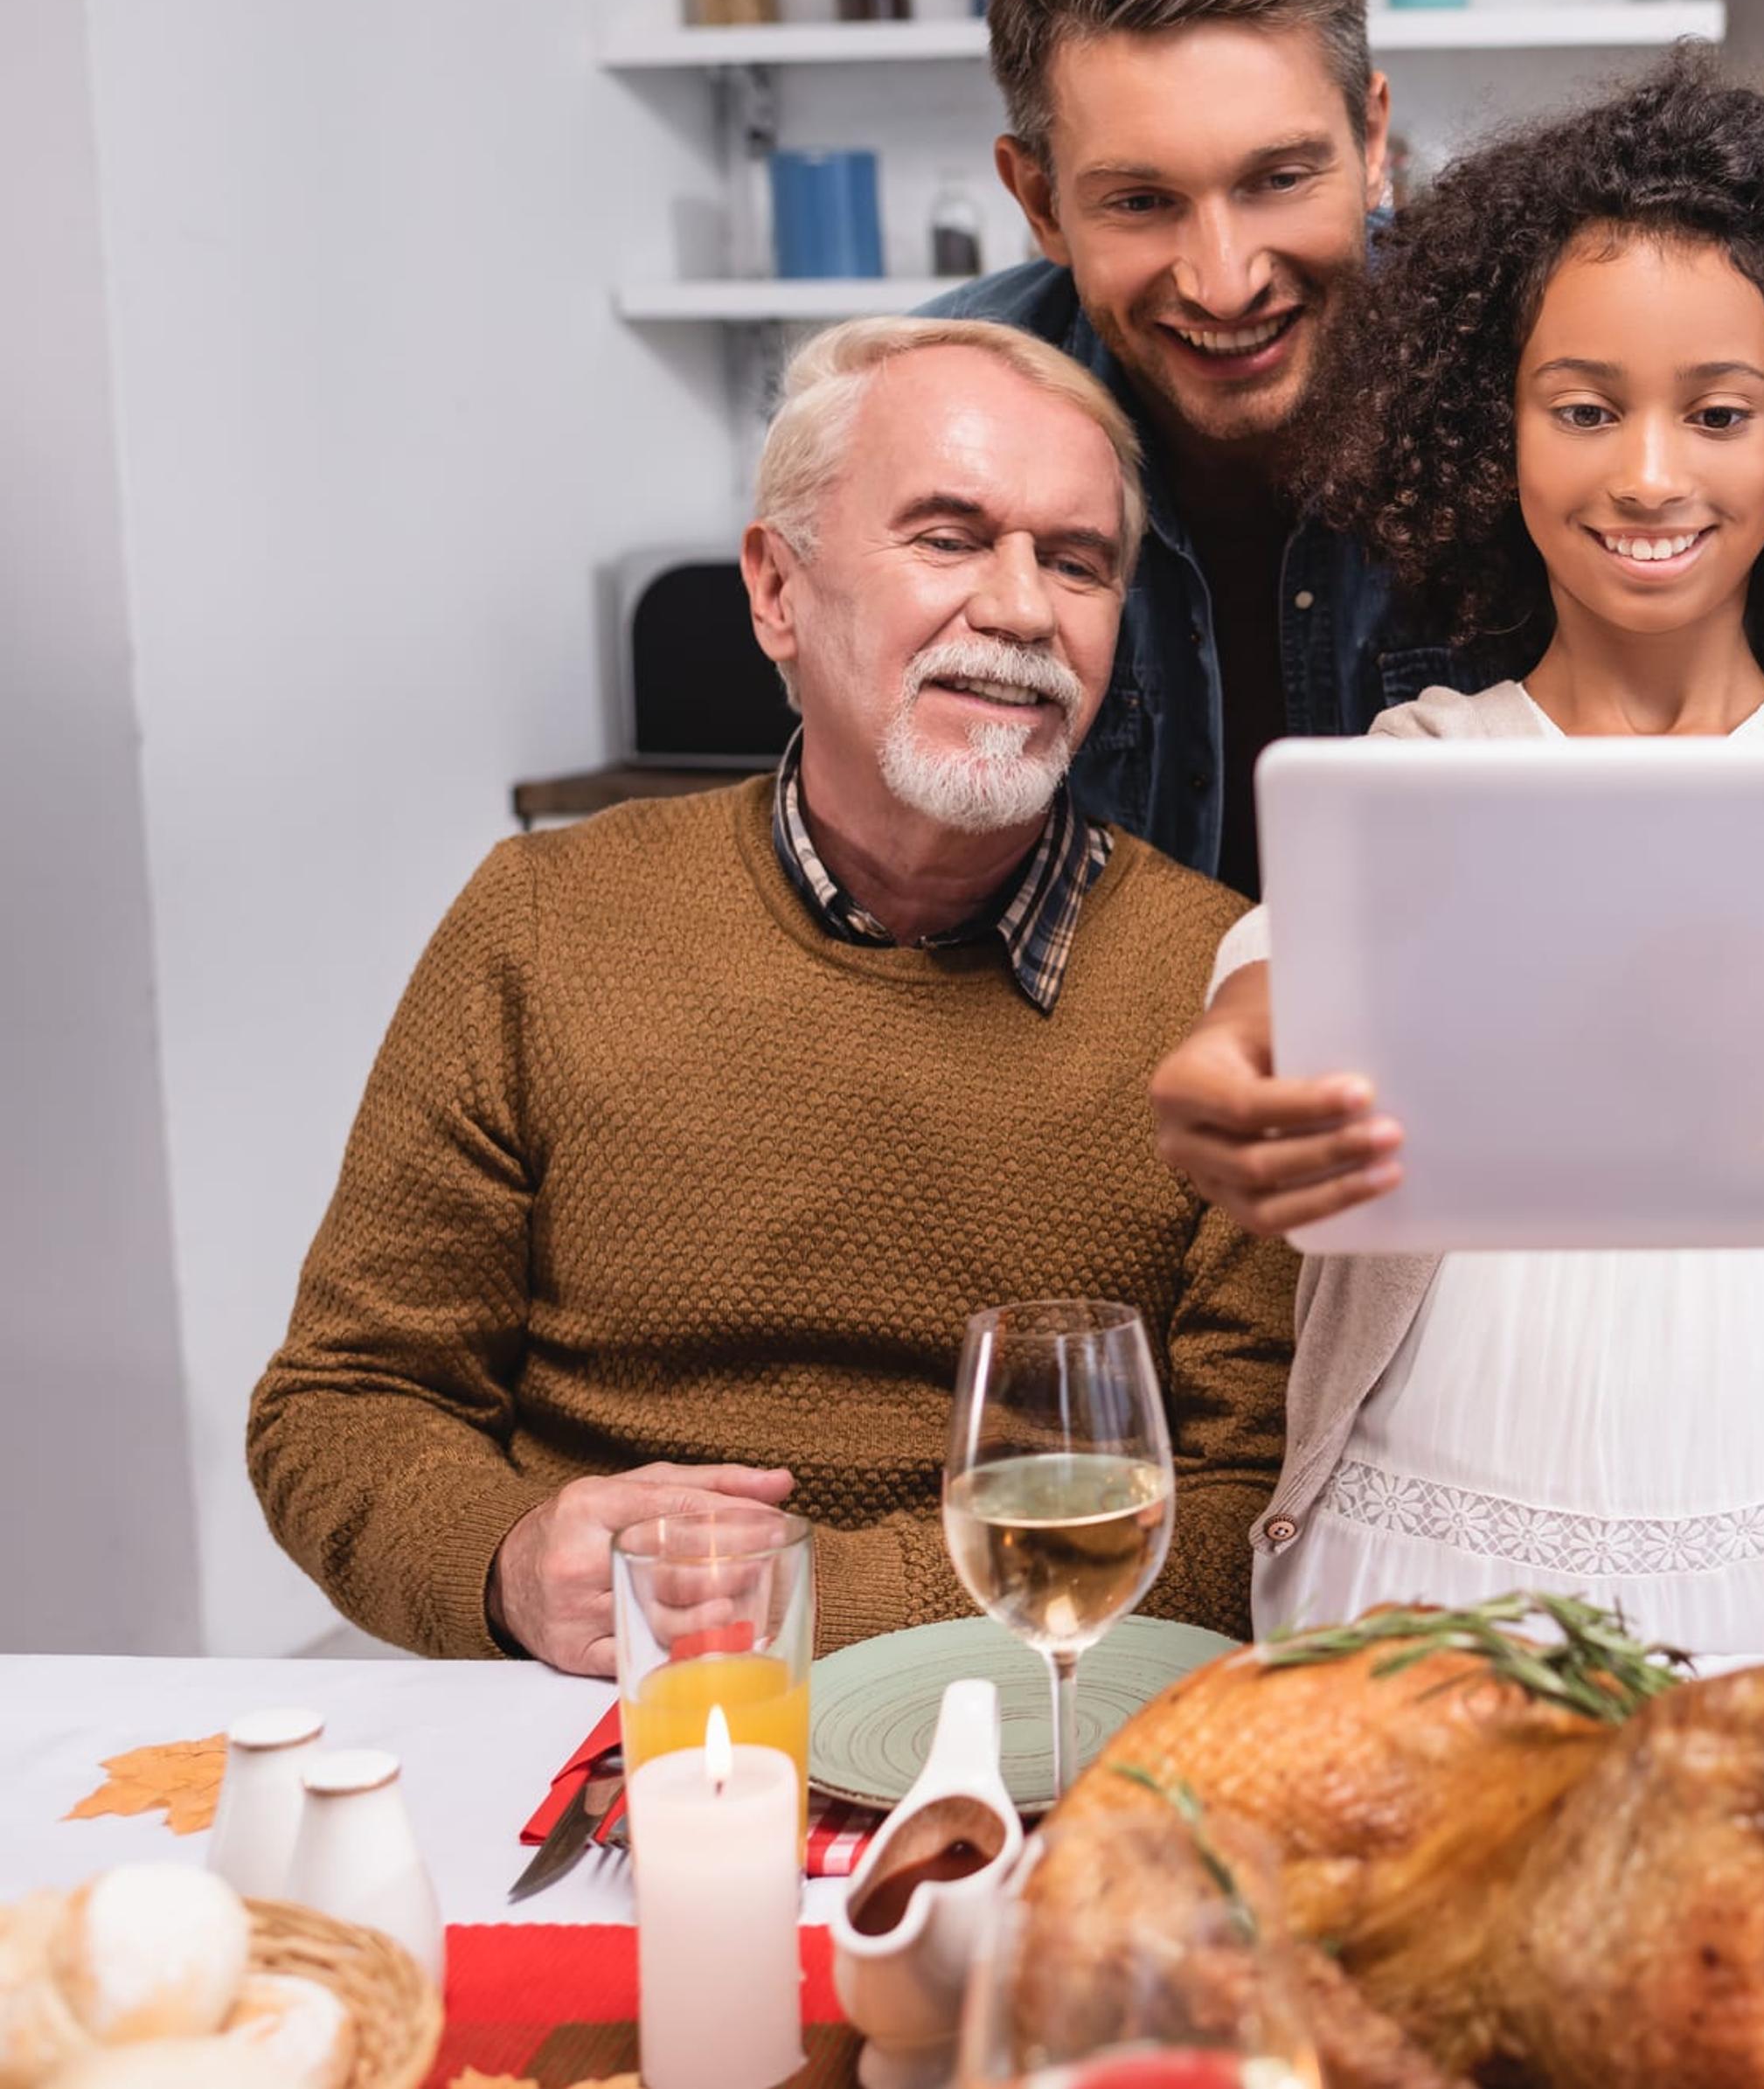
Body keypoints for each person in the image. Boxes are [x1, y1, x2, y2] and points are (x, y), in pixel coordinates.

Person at [1149, 56, 1764, 1652]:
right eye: (1585, 409)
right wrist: (1219, 1086)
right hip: (1430, 1561)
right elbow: (1265, 1007)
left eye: (1720, 412)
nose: (1649, 473)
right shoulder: (1419, 772)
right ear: (1499, 432)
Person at [247, 318, 1297, 1671]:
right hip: (601, 1714)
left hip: (1042, 1709)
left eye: (1078, 563)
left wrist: (780, 1600)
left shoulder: (1230, 985)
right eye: (948, 537)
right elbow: (339, 1404)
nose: (1024, 609)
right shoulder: (542, 922)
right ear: (776, 591)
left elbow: (1250, 1506)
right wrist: (513, 1563)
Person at [927, 0, 1449, 895]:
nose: (1224, 284)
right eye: (1140, 202)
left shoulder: (1545, 388)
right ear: (1037, 203)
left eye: (1280, 178)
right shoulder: (926, 419)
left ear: (1373, 139)